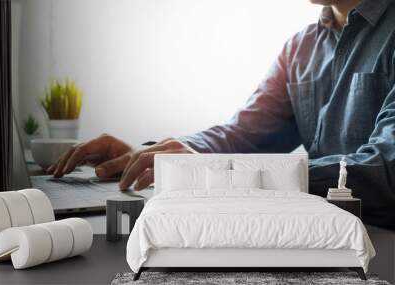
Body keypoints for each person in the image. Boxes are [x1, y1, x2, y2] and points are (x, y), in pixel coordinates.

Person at [48, 0, 395, 229]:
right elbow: (243, 133)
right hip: (317, 233)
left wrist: (223, 174)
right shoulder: (301, 47)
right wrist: (166, 156)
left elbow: (386, 168)